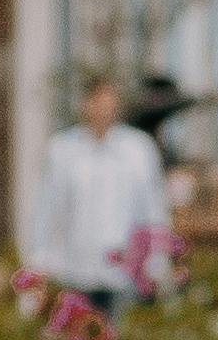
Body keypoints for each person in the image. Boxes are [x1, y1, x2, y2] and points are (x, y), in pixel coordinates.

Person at [26, 73, 173, 317]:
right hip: (76, 271)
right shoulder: (63, 150)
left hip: (124, 275)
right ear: (86, 104)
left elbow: (153, 209)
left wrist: (157, 263)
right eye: (98, 100)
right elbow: (47, 211)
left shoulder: (138, 149)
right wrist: (41, 263)